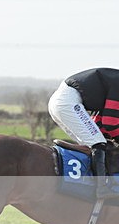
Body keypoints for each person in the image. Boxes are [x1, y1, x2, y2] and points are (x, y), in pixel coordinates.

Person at [48, 68, 119, 198]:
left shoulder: (113, 81)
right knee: (98, 143)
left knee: (94, 144)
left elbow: (98, 121)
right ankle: (101, 189)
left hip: (60, 101)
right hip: (68, 102)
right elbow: (110, 122)